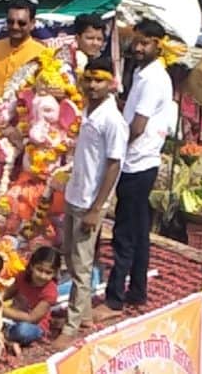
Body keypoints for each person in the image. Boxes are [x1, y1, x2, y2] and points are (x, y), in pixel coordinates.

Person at [95, 20, 174, 321]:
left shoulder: (154, 79)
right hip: (141, 163)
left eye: (146, 43)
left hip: (137, 164)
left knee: (124, 235)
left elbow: (137, 127)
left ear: (158, 45)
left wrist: (112, 151)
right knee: (140, 232)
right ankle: (137, 290)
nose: (139, 48)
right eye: (137, 42)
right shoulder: (141, 73)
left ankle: (114, 300)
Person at [52, 57, 128, 349]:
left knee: (82, 265)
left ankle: (71, 329)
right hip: (75, 192)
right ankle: (83, 314)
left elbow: (113, 165)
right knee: (70, 257)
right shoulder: (87, 109)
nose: (93, 86)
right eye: (89, 80)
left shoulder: (112, 120)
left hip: (90, 201)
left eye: (99, 81)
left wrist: (97, 208)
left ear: (110, 84)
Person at [0, 0, 47, 178]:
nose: (15, 26)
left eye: (21, 22)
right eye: (10, 21)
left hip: (22, 135)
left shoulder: (42, 54)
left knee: (14, 190)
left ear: (32, 24)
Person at [3, 246, 60, 355]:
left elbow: (31, 318)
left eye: (48, 273)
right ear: (32, 266)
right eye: (39, 270)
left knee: (23, 331)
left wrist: (2, 310)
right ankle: (8, 339)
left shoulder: (50, 292)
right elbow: (7, 293)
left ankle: (4, 336)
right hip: (11, 320)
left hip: (33, 326)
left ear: (54, 273)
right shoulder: (22, 277)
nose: (42, 276)